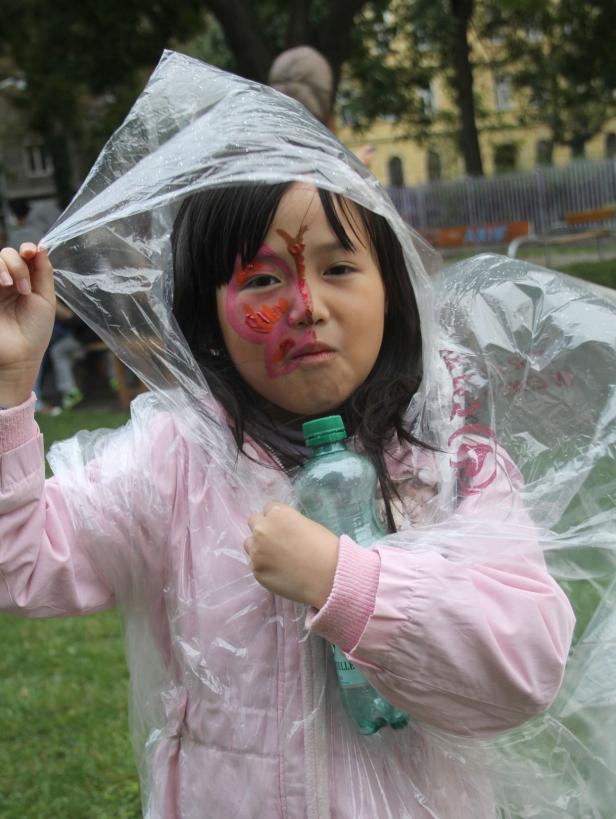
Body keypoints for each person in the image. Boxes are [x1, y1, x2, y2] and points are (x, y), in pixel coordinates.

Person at [0, 53, 611, 817]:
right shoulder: (177, 460)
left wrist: (347, 583)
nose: (305, 304)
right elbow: (21, 564)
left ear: (392, 291)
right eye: (260, 279)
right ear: (207, 321)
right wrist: (8, 389)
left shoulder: (450, 461)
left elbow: (522, 665)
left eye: (339, 268)